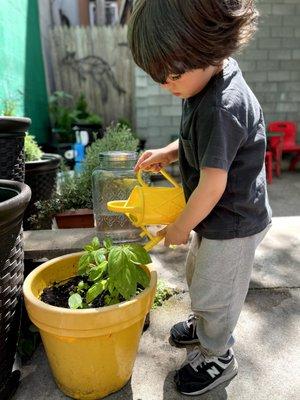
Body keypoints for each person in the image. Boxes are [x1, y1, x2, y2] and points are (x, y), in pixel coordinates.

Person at [128, 0, 272, 396]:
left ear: (207, 49)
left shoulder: (224, 105)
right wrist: (171, 152)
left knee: (217, 289)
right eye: (159, 77)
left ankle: (218, 354)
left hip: (234, 221)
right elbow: (204, 144)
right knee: (199, 274)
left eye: (171, 75)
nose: (165, 85)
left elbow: (213, 184)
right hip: (216, 216)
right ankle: (205, 323)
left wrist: (179, 225)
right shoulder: (202, 83)